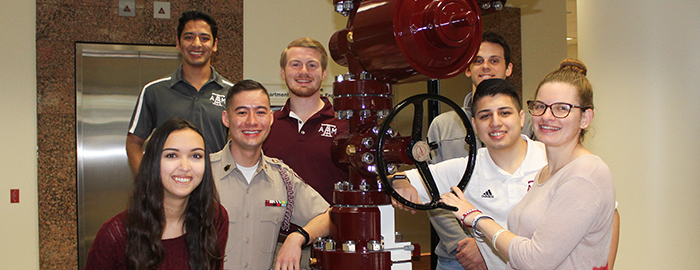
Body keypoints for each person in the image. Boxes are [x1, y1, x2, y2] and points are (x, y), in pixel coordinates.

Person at [441, 59, 616, 269]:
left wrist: (476, 218)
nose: (547, 117)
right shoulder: (546, 173)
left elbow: (534, 260)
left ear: (585, 118)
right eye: (541, 107)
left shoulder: (584, 174)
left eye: (562, 108)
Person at [393, 78, 547, 270]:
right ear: (474, 125)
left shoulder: (550, 160)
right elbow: (397, 179)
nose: (496, 123)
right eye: (485, 116)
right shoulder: (468, 168)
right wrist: (400, 182)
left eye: (505, 113)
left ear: (522, 117)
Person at [424, 31, 533, 270]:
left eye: (494, 60)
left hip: (516, 252)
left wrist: (493, 245)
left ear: (509, 68)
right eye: (478, 60)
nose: (486, 67)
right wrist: (465, 244)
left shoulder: (529, 126)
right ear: (466, 68)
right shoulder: (442, 126)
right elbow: (436, 194)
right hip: (459, 257)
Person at [211, 79, 332, 270]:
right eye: (242, 112)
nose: (251, 121)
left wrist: (298, 237)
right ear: (226, 118)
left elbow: (330, 217)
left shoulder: (282, 179)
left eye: (260, 112)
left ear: (270, 118)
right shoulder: (202, 173)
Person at [85, 118, 229, 270]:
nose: (185, 167)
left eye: (196, 156)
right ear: (153, 162)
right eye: (172, 155)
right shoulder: (116, 234)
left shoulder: (214, 218)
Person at [127, 10, 233, 176]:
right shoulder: (154, 91)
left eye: (204, 38)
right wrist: (147, 183)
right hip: (170, 191)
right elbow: (134, 142)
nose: (196, 44)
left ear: (215, 45)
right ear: (178, 43)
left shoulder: (231, 92)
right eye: (189, 37)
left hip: (214, 192)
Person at [263, 37, 349, 204]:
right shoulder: (268, 125)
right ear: (283, 72)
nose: (304, 71)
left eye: (312, 65)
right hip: (276, 229)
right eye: (295, 64)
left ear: (324, 73)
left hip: (331, 227)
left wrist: (399, 180)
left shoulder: (345, 125)